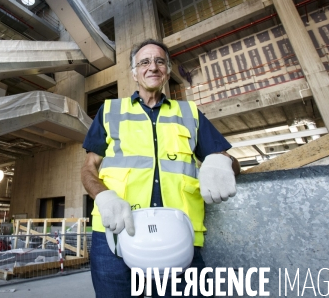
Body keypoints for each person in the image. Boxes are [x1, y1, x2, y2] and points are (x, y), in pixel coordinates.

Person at [81, 39, 240, 297]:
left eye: (159, 61)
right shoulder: (110, 111)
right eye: (144, 62)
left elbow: (231, 163)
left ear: (167, 71)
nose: (152, 67)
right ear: (134, 73)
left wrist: (221, 161)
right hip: (115, 233)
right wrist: (102, 195)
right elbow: (89, 167)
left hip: (177, 235)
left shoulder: (189, 113)